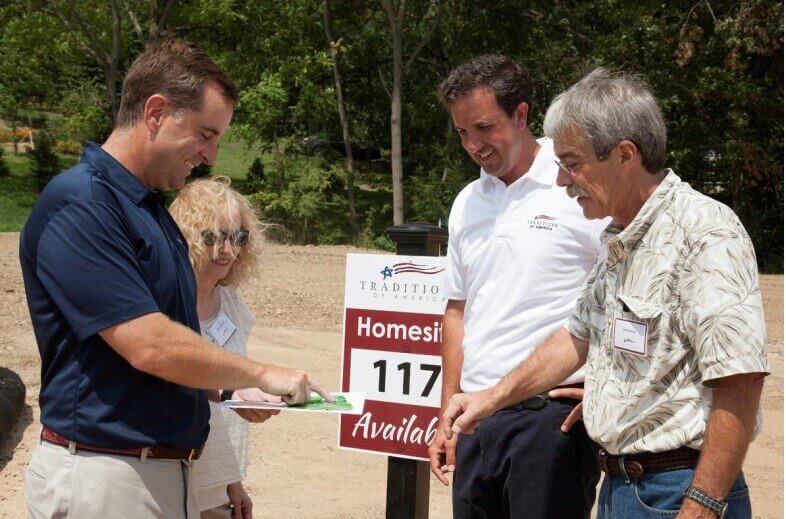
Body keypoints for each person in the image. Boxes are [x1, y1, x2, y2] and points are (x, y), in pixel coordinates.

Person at [20, 39, 330, 519]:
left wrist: (227, 390)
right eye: (205, 133)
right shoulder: (82, 205)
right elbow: (149, 346)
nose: (210, 156)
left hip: (158, 475)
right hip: (106, 479)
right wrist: (261, 372)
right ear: (156, 112)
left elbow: (151, 364)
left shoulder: (150, 214)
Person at [442, 68, 771, 518]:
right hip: (622, 489)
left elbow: (741, 379)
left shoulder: (705, 231)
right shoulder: (620, 238)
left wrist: (703, 504)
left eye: (573, 163)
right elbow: (576, 337)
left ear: (624, 155)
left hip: (679, 491)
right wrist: (488, 400)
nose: (562, 181)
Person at [427, 55, 608, 518]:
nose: (473, 144)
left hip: (549, 421)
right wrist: (448, 413)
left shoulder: (577, 181)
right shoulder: (467, 202)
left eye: (484, 128)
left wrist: (611, 386)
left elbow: (630, 293)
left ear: (522, 115)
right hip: (474, 418)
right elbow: (457, 312)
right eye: (462, 132)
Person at [170, 176, 276, 519]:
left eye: (237, 238)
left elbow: (230, 409)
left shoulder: (233, 304)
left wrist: (233, 482)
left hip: (217, 485)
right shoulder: (164, 304)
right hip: (166, 477)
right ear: (185, 236)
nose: (228, 250)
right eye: (213, 237)